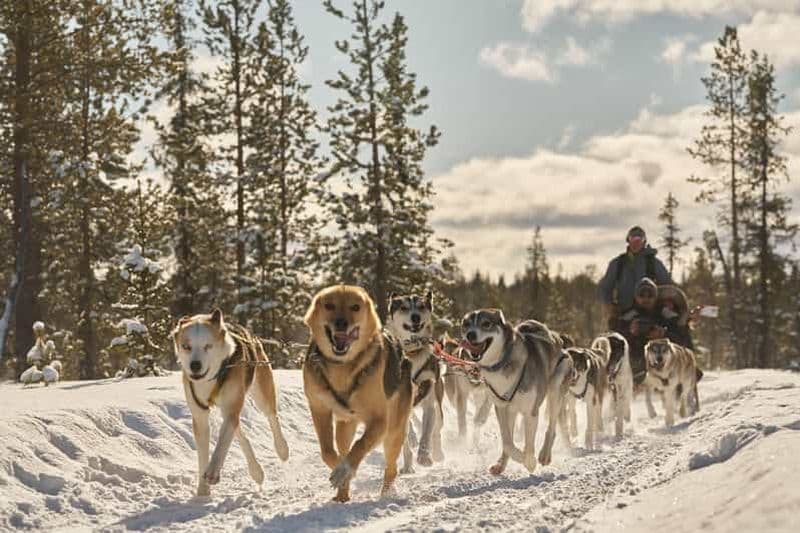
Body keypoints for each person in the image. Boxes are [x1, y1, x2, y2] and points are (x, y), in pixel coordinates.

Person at [598, 226, 672, 328]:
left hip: (650, 315)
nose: (636, 243)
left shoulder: (654, 263)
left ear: (644, 242)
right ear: (628, 241)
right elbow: (605, 287)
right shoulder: (618, 263)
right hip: (624, 313)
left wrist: (667, 303)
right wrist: (609, 305)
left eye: (639, 239)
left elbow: (668, 285)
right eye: (633, 239)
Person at [615, 278, 667, 384]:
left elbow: (680, 330)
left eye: (650, 295)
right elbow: (615, 334)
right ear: (636, 297)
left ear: (655, 297)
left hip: (664, 360)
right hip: (636, 360)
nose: (646, 299)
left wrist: (663, 334)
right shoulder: (628, 315)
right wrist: (630, 332)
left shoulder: (664, 313)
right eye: (642, 295)